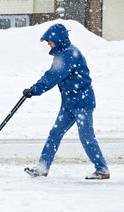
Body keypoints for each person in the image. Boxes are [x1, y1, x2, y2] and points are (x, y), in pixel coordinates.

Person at [23, 23, 110, 180]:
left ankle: (102, 169)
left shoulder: (69, 54)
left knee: (87, 137)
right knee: (55, 134)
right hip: (69, 102)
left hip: (82, 101)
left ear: (57, 38)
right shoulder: (62, 53)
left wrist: (36, 89)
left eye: (49, 40)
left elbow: (54, 75)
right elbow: (53, 74)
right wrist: (35, 88)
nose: (48, 44)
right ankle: (42, 168)